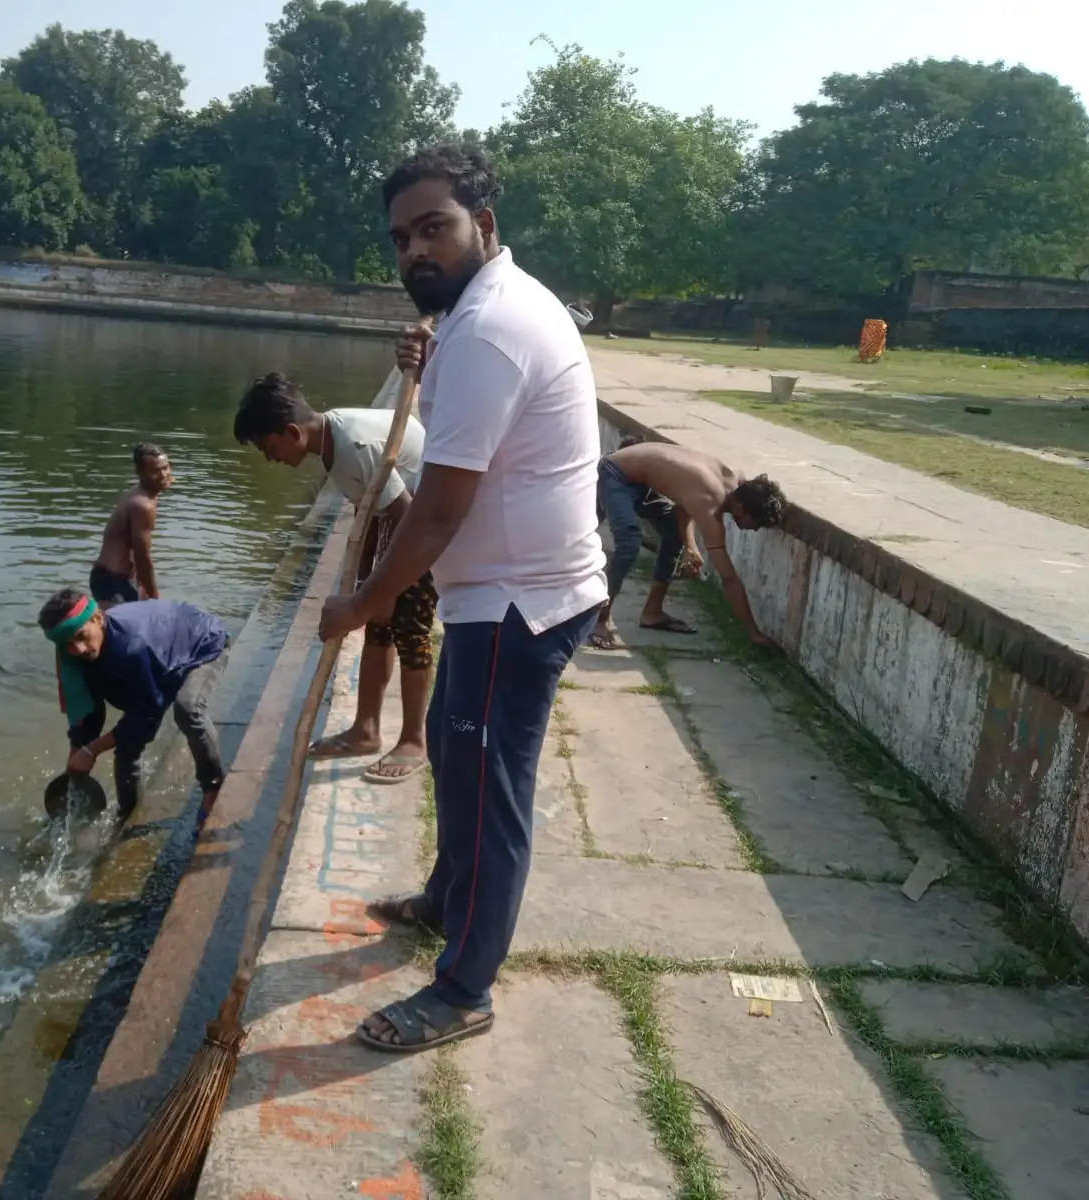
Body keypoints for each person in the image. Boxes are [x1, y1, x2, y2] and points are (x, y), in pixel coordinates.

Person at [317, 143, 607, 1053]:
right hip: (500, 593)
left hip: (518, 604)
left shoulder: (488, 327)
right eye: (401, 237)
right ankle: (448, 899)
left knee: (489, 793)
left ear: (484, 224)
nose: (415, 252)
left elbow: (439, 509)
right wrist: (427, 353)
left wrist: (362, 603)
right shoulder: (479, 312)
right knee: (450, 746)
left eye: (433, 228)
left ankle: (464, 990)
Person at [234, 372, 436, 785]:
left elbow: (407, 517)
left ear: (292, 432)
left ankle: (416, 740)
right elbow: (369, 513)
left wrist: (382, 590)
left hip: (426, 523)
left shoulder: (352, 446)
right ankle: (366, 730)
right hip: (397, 519)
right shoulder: (330, 443)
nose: (270, 459)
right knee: (378, 626)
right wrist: (363, 588)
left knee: (409, 629)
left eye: (269, 448)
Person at [38, 588, 227, 823]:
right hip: (160, 651)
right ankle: (128, 817)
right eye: (67, 644)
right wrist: (77, 755)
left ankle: (213, 788)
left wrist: (92, 750)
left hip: (201, 641)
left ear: (98, 619)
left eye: (81, 636)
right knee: (127, 750)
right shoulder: (74, 657)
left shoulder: (132, 647)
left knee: (187, 709)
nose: (77, 649)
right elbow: (87, 711)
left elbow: (146, 714)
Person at [589, 440, 785, 650]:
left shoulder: (736, 480)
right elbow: (729, 579)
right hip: (616, 473)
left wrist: (690, 546)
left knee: (674, 533)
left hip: (643, 480)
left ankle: (652, 613)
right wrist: (754, 633)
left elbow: (684, 506)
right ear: (739, 508)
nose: (755, 529)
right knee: (629, 543)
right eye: (756, 523)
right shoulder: (711, 501)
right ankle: (600, 619)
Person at [90, 442, 173, 608]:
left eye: (166, 467)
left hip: (122, 579)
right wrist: (153, 593)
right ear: (139, 473)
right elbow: (142, 555)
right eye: (155, 471)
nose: (163, 474)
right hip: (112, 582)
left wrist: (141, 585)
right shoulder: (142, 505)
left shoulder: (146, 492)